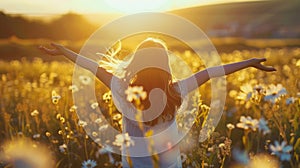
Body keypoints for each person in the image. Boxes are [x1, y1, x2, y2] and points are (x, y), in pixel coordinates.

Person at [39, 38, 276, 168]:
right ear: (165, 66)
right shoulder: (175, 90)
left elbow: (92, 67)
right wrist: (249, 61)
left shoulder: (122, 89)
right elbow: (212, 71)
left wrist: (64, 51)